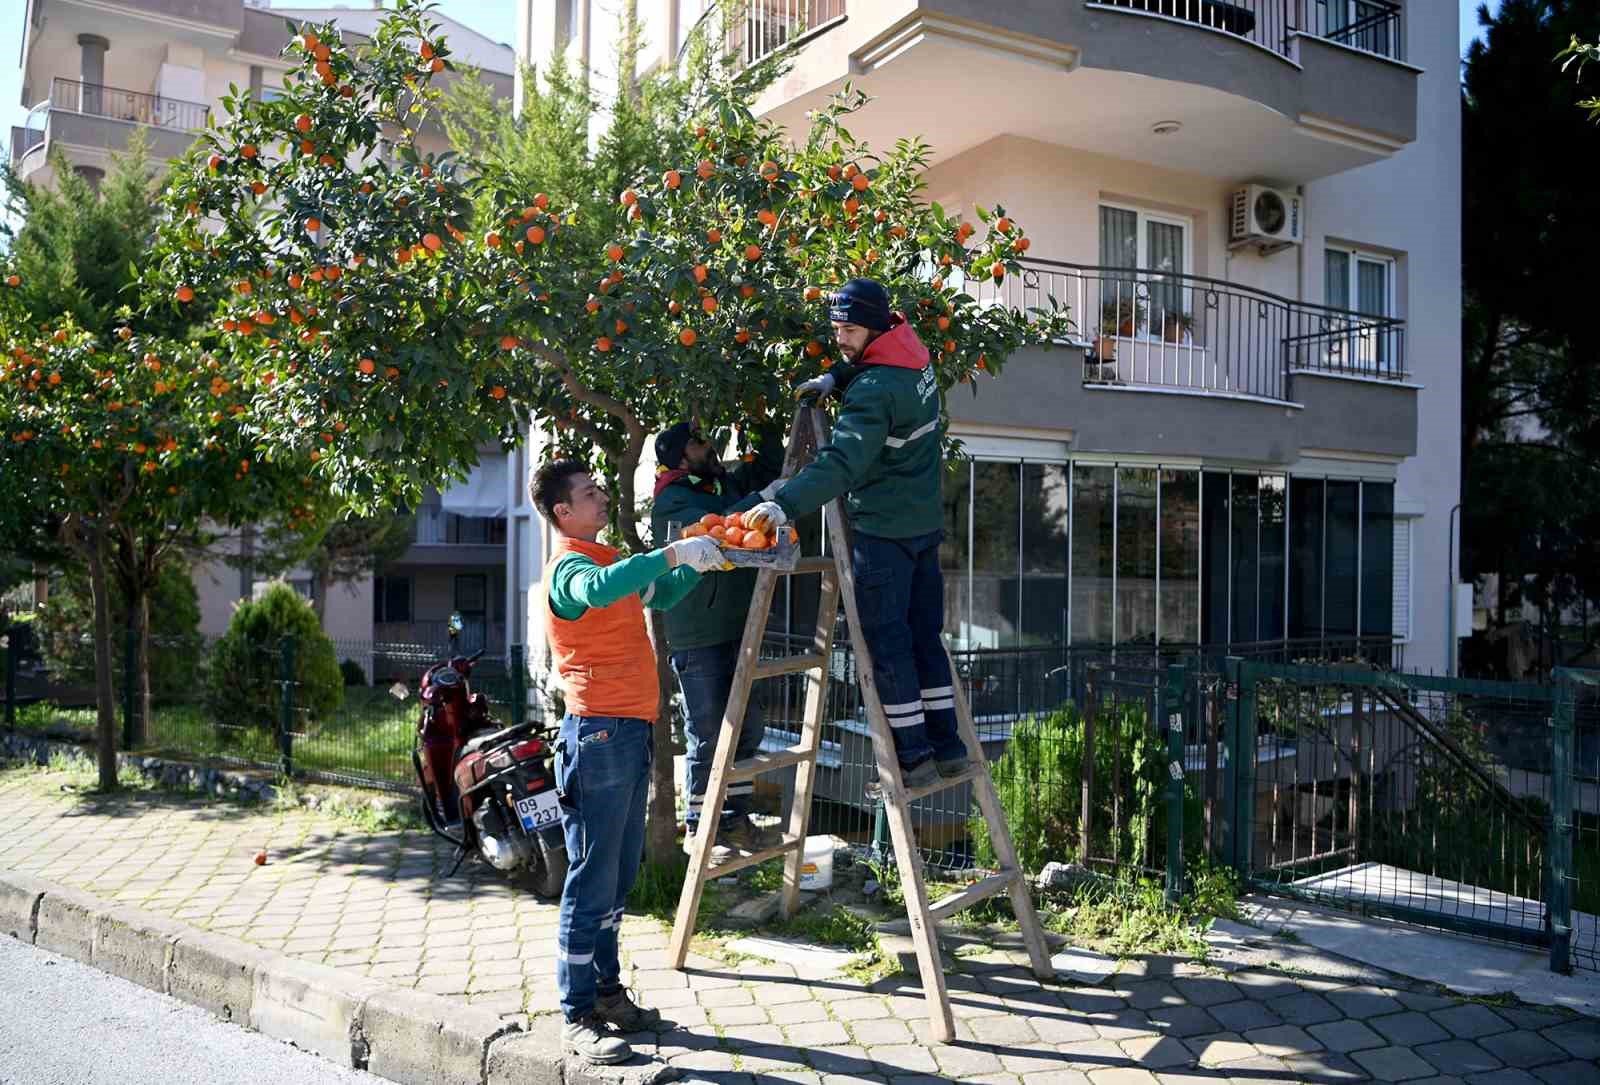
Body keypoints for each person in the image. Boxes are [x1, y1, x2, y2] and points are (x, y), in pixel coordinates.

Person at [531, 458, 730, 1065]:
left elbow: (659, 591)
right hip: (597, 736)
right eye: (590, 493)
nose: (600, 498)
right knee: (591, 878)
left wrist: (698, 562)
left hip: (629, 732)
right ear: (564, 511)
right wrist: (670, 554)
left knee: (616, 878)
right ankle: (576, 1014)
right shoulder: (569, 568)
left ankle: (609, 994)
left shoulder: (608, 558)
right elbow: (601, 590)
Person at [744, 279, 967, 790]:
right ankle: (948, 747)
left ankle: (913, 755)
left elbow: (842, 462)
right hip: (923, 526)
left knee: (888, 648)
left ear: (872, 325)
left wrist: (785, 504)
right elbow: (872, 363)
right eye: (836, 329)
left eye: (848, 329)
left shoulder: (872, 392)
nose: (840, 338)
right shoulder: (915, 356)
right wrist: (834, 376)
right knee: (925, 638)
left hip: (883, 534)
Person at [649, 421, 784, 857]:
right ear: (681, 457)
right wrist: (761, 501)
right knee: (708, 730)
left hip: (738, 625)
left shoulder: (719, 484)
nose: (709, 446)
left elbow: (767, 465)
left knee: (747, 727)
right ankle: (699, 823)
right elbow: (715, 530)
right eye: (697, 442)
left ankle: (732, 817)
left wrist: (756, 413)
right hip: (699, 633)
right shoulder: (672, 500)